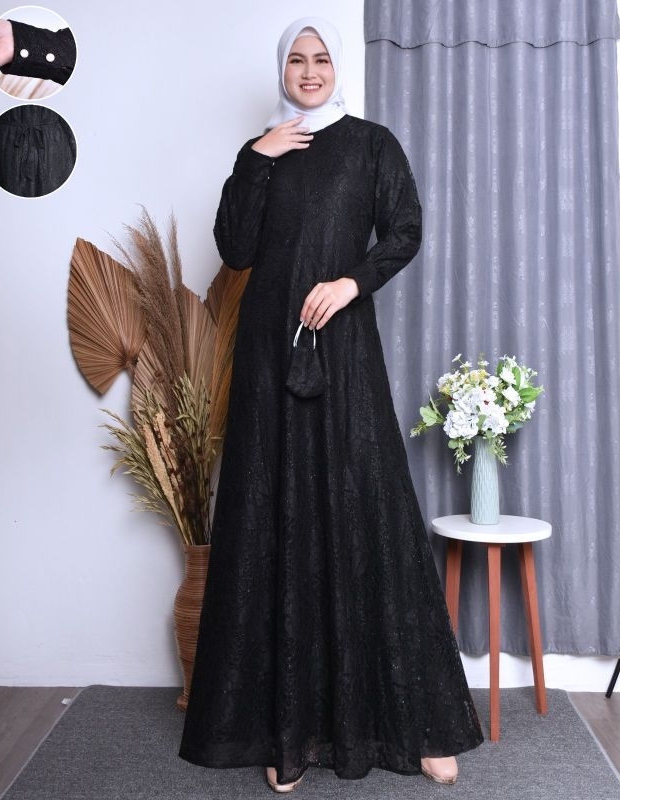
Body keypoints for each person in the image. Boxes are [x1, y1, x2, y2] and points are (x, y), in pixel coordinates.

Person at [178, 17, 483, 792]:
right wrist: (257, 159)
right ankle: (286, 735)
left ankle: (419, 725)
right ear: (281, 69)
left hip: (343, 353)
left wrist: (352, 283)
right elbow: (236, 249)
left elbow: (405, 230)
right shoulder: (263, 150)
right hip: (267, 360)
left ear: (335, 66)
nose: (309, 71)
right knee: (275, 517)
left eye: (320, 59)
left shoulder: (372, 145)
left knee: (368, 509)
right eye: (296, 60)